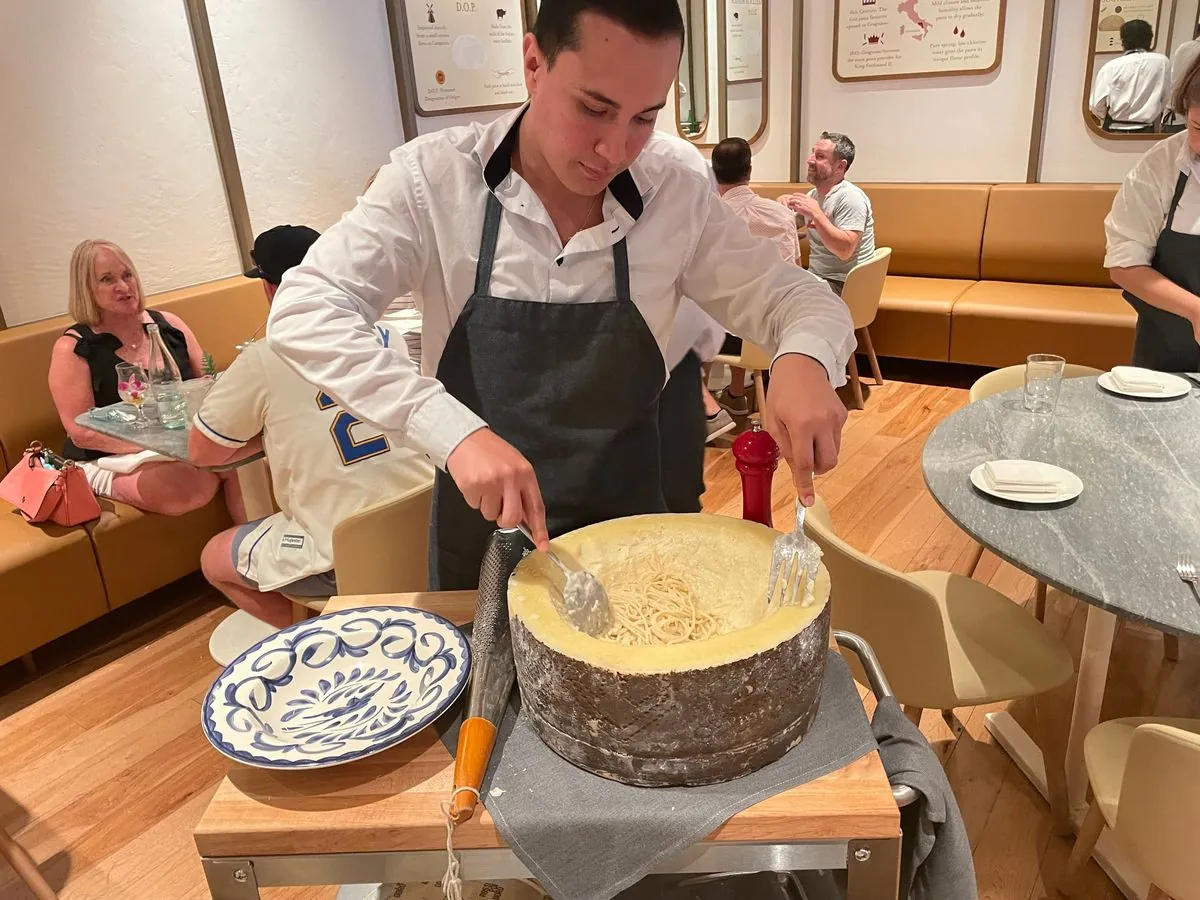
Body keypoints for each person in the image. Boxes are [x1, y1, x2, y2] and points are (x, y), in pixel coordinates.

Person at [266, 0, 855, 591]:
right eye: (594, 109)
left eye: (644, 118)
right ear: (533, 63)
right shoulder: (434, 181)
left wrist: (802, 357)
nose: (615, 150)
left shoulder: (672, 186)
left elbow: (796, 299)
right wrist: (450, 428)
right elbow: (306, 309)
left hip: (632, 536)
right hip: (482, 547)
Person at [189, 226, 434, 628]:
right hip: (422, 529)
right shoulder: (387, 335)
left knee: (214, 557)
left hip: (345, 558)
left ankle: (327, 639)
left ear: (270, 289)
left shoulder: (264, 359)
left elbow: (202, 452)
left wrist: (265, 434)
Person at [48, 239, 231, 516]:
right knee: (187, 486)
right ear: (87, 289)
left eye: (127, 275)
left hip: (182, 444)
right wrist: (161, 443)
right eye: (107, 280)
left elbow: (207, 382)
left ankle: (256, 553)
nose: (123, 287)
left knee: (243, 462)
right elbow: (82, 434)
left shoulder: (169, 325)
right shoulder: (73, 348)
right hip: (107, 458)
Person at [1105, 55, 1200, 371]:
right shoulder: (1159, 167)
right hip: (1166, 360)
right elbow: (1124, 263)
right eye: (1199, 126)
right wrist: (1195, 310)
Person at [708, 136, 803, 417]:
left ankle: (703, 408)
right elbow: (795, 269)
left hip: (731, 328)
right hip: (777, 325)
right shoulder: (780, 215)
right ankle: (737, 392)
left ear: (713, 173)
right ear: (749, 171)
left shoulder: (710, 217)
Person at [778, 132, 875, 296]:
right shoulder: (813, 196)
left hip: (845, 284)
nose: (810, 160)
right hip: (818, 278)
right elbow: (785, 226)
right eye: (812, 153)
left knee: (780, 297)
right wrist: (780, 207)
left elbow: (844, 251)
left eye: (820, 156)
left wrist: (817, 214)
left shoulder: (850, 197)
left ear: (840, 166)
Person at [1090, 19, 1171, 133]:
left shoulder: (1111, 67)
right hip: (1146, 130)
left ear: (1123, 41)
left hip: (1114, 130)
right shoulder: (1162, 62)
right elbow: (1167, 97)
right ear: (1150, 39)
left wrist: (1109, 117)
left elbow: (1096, 105)